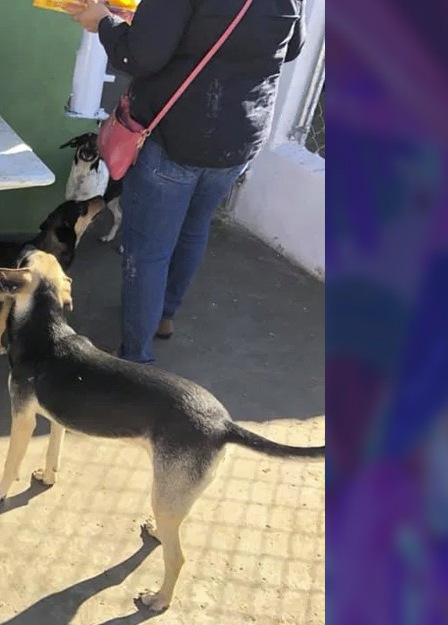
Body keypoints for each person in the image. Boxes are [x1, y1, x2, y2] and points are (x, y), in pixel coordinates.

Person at [72, 0, 304, 363]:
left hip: (175, 137)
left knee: (148, 252)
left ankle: (134, 359)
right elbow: (291, 47)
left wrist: (103, 22)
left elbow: (139, 57)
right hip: (239, 139)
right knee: (194, 229)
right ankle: (163, 316)